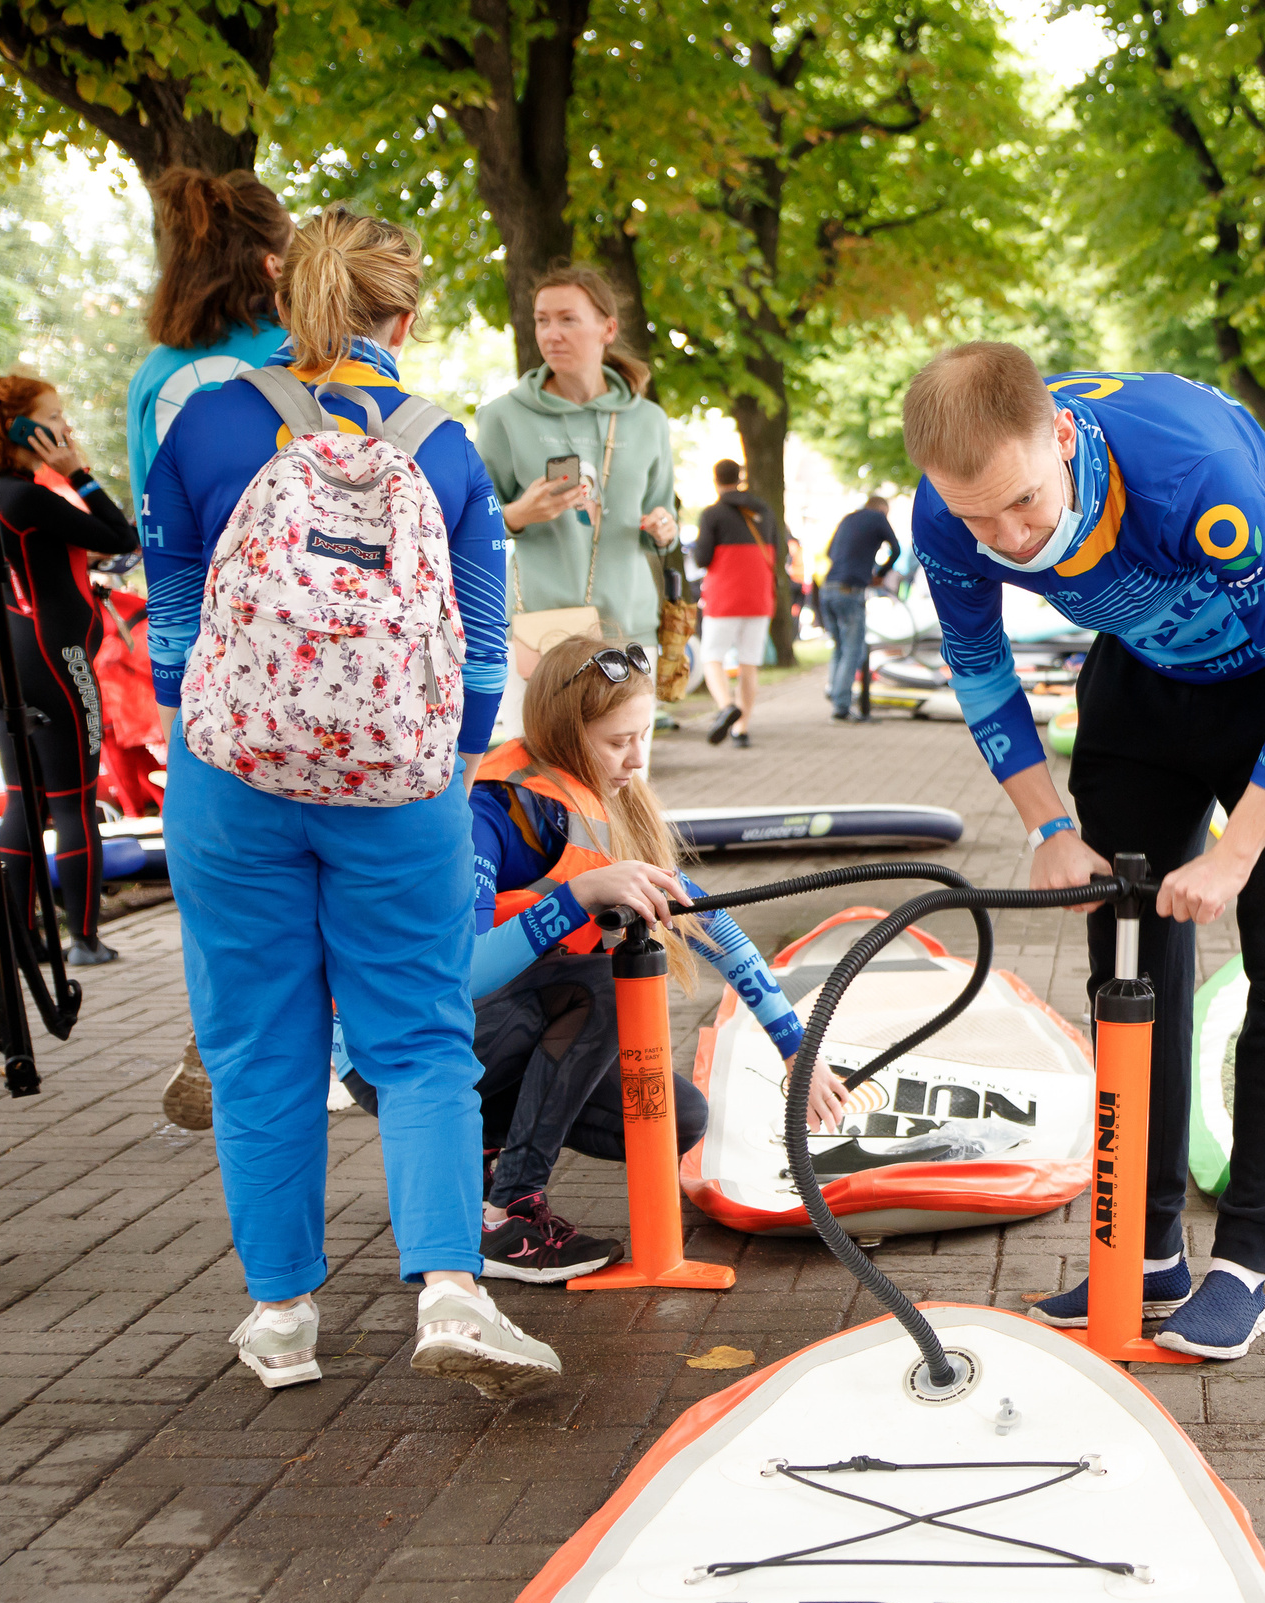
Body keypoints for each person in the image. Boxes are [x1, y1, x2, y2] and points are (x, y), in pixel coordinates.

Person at [146, 205, 560, 1394]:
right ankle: (451, 1292)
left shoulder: (208, 419)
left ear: (286, 304)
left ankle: (281, 1317)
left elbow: (175, 619)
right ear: (404, 315)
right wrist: (441, 760)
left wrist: (221, 733)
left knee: (256, 1044)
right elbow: (484, 652)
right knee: (422, 1039)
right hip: (402, 786)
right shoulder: (442, 445)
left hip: (232, 782)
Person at [904, 344, 1265, 1362]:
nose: (1010, 540)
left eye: (1024, 503)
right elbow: (979, 672)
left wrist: (1236, 854)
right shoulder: (949, 513)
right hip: (1146, 673)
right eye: (979, 520)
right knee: (1130, 964)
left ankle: (1244, 1265)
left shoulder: (1195, 478)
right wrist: (1048, 828)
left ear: (1060, 435)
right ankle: (1147, 1246)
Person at [338, 634, 850, 1279]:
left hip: (491, 1041)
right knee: (598, 985)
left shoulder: (603, 805)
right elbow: (455, 977)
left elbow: (717, 931)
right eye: (616, 742)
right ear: (563, 735)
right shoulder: (488, 811)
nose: (637, 761)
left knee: (674, 1118)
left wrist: (796, 1051)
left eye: (645, 736)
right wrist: (576, 896)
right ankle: (510, 1213)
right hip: (393, 1053)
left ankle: (480, 1151)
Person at [473, 263, 678, 693]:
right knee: (536, 762)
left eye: (568, 319)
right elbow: (471, 528)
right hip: (540, 634)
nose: (551, 333)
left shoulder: (648, 421)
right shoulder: (502, 417)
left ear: (607, 329)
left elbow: (661, 520)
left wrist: (662, 528)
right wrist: (516, 515)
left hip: (630, 631)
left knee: (624, 761)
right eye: (542, 320)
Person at [0, 377, 142, 964]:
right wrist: (78, 472)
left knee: (21, 798)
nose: (67, 428)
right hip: (57, 660)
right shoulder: (27, 497)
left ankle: (19, 941)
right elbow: (121, 535)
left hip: (3, 663)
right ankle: (83, 941)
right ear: (22, 430)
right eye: (54, 417)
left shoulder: (5, 496)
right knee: (73, 801)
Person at [124, 168, 294, 506]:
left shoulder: (151, 372)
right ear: (274, 267)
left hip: (184, 559)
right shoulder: (305, 352)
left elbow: (148, 503)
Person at [688, 459, 779, 746]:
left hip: (725, 595)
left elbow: (702, 558)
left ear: (716, 480)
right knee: (749, 662)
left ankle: (727, 706)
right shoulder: (763, 510)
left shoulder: (712, 514)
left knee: (712, 656)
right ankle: (742, 729)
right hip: (759, 596)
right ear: (739, 478)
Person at [821, 493, 900, 721]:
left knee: (839, 647)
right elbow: (897, 549)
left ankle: (834, 691)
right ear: (882, 509)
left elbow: (830, 553)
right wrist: (879, 574)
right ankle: (841, 706)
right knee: (853, 649)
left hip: (828, 587)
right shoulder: (878, 517)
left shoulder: (848, 518)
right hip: (850, 590)